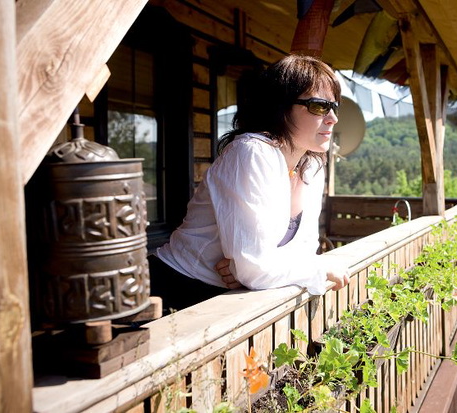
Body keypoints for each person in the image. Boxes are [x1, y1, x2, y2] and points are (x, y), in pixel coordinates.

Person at [149, 54, 350, 311]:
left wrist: (245, 269)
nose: (333, 118)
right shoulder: (251, 153)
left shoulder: (311, 165)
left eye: (334, 106)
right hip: (175, 292)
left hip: (229, 297)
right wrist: (317, 267)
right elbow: (255, 269)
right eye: (319, 106)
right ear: (280, 107)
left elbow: (300, 251)